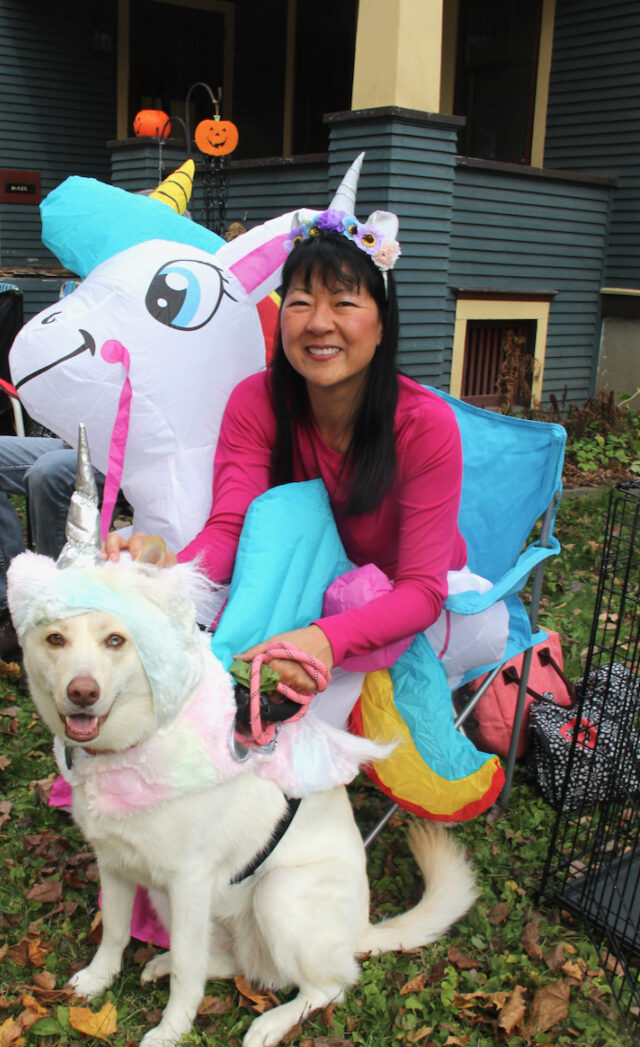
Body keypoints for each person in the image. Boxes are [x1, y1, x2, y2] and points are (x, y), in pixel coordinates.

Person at [102, 171, 482, 714]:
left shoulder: (425, 425)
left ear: (380, 324)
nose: (318, 323)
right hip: (309, 579)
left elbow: (422, 591)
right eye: (300, 301)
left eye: (345, 303)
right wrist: (167, 573)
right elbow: (232, 527)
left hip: (407, 597)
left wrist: (321, 640)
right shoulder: (256, 401)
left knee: (287, 708)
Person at [0, 436, 98, 666]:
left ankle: (58, 625)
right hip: (86, 437)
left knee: (49, 472)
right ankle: (16, 611)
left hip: (140, 453)